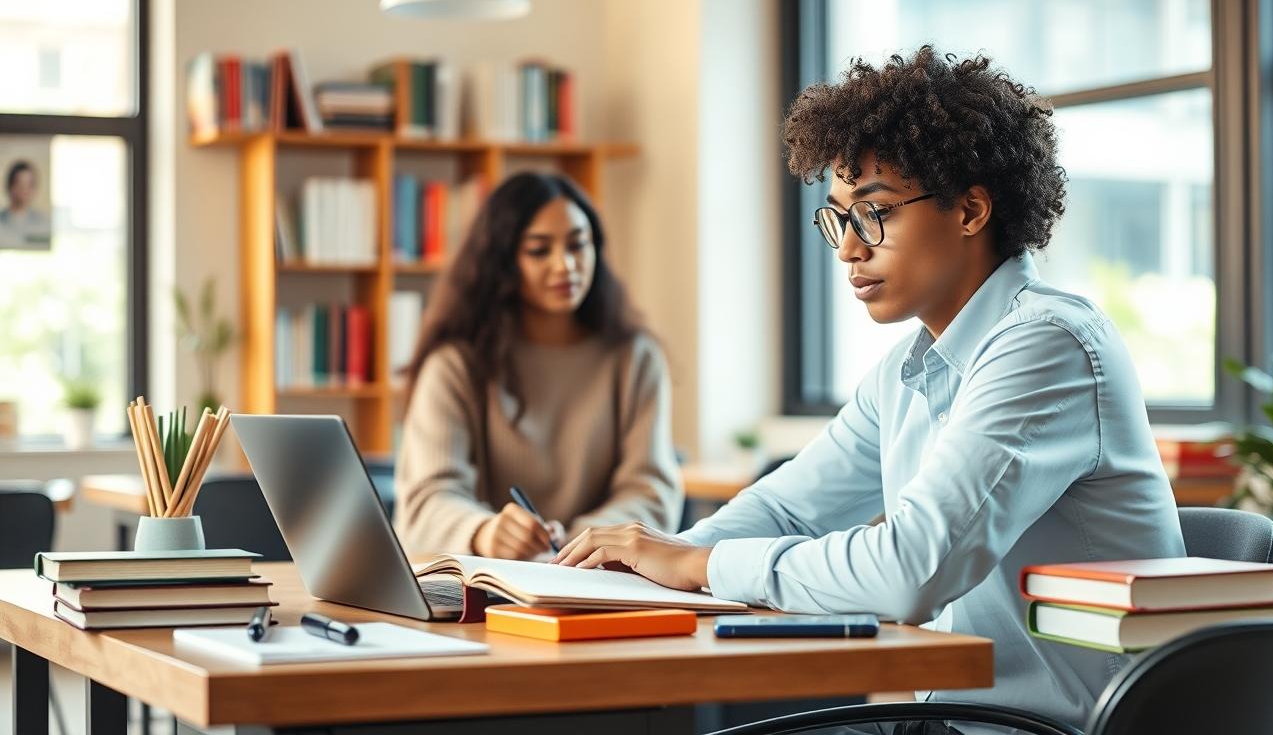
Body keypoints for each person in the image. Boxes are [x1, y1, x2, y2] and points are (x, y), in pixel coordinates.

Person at [552, 47, 1185, 731]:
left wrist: (698, 563)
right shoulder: (907, 371)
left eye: (874, 213)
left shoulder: (1047, 344)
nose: (850, 249)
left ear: (970, 210)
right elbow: (789, 511)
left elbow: (913, 570)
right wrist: (637, 571)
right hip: (953, 718)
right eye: (838, 220)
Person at [395, 171, 683, 561]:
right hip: (480, 584)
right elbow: (426, 498)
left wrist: (586, 540)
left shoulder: (635, 358)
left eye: (578, 245)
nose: (565, 265)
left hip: (598, 578)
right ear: (503, 263)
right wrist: (482, 532)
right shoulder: (455, 364)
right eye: (539, 250)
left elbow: (651, 489)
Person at [0, 160, 52, 251]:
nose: (24, 190)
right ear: (9, 186)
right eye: (20, 184)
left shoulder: (44, 223)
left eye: (29, 185)